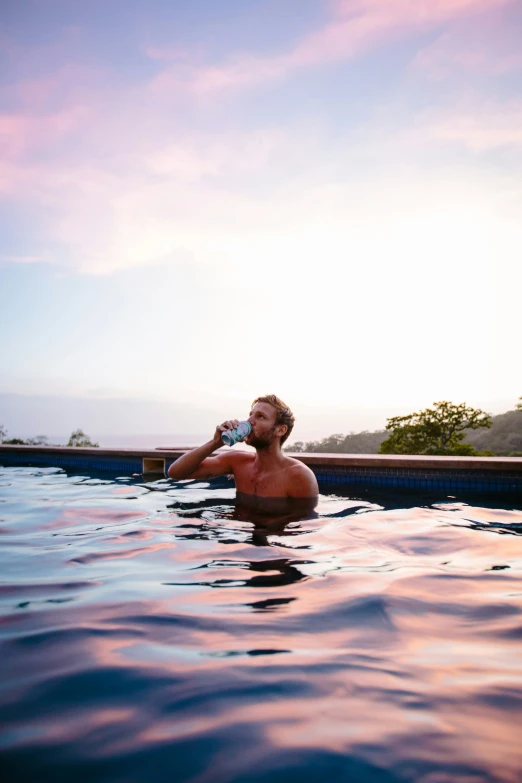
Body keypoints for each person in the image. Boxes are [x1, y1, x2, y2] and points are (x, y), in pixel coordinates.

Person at [167, 394, 318, 514]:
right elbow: (175, 473)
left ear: (280, 430)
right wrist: (215, 443)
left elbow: (303, 526)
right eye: (250, 415)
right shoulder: (237, 461)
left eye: (260, 416)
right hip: (238, 534)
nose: (250, 421)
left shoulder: (298, 475)